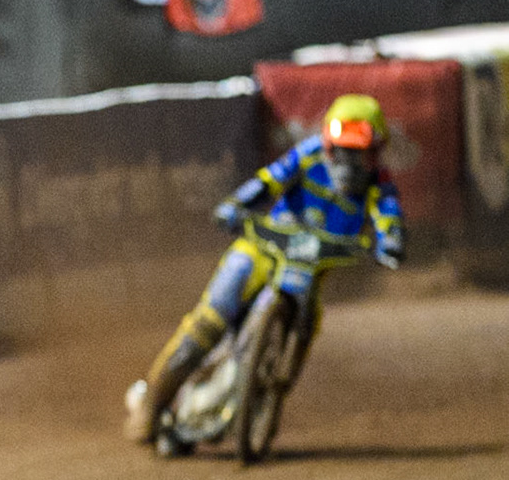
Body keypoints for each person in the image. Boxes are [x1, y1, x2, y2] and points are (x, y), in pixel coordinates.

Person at [124, 96, 405, 444]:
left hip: (308, 270)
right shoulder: (308, 154)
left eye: (359, 154)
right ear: (329, 146)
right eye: (342, 152)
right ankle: (151, 404)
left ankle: (271, 394)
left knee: (307, 325)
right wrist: (236, 205)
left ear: (376, 152)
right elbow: (270, 180)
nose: (350, 164)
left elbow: (387, 215)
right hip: (262, 249)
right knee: (210, 318)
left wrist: (390, 242)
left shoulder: (380, 183)